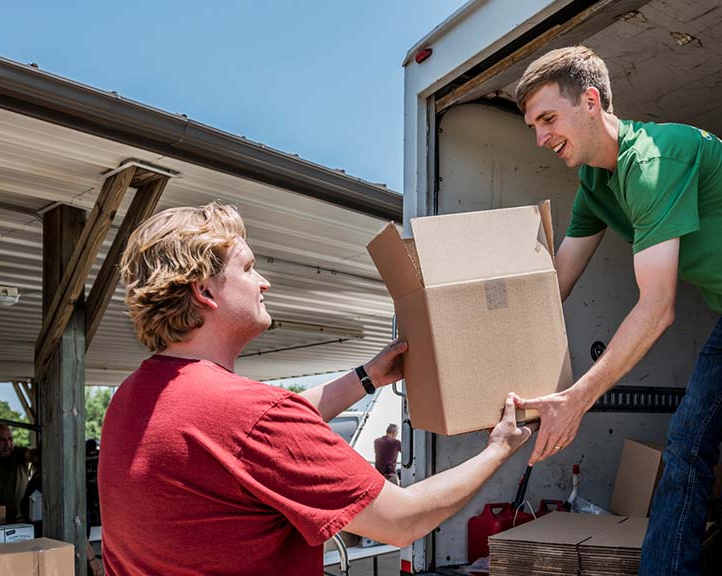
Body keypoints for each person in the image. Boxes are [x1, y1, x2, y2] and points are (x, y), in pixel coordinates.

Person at [513, 46, 722, 575]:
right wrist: (483, 350)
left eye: (548, 118)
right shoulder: (595, 185)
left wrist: (576, 399)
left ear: (591, 101)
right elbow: (556, 284)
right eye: (533, 125)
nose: (541, 137)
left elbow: (658, 307)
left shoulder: (654, 161)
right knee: (686, 447)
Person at [98, 203, 532, 575]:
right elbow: (403, 521)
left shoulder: (132, 398)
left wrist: (366, 378)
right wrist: (498, 449)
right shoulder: (249, 415)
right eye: (248, 269)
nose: (263, 283)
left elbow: (249, 440)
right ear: (205, 291)